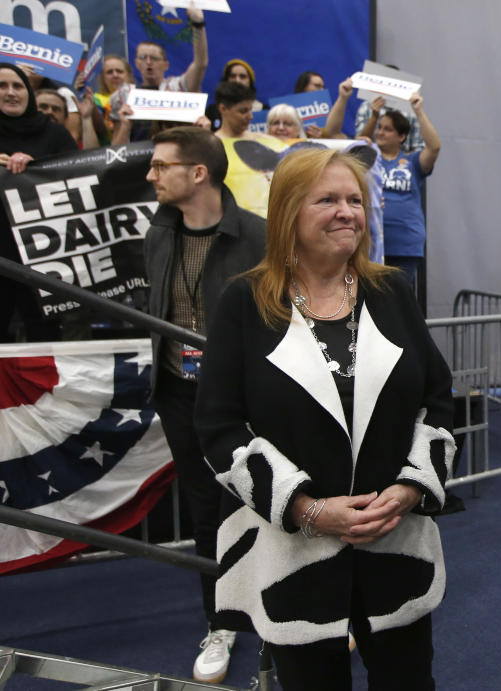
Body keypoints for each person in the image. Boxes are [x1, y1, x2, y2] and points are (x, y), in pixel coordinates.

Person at [193, 147, 455, 691]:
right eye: (328, 200)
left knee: (409, 680)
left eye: (356, 200)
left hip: (395, 543)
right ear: (288, 211)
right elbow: (219, 429)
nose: (348, 213)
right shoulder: (244, 302)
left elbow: (438, 401)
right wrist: (306, 509)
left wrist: (410, 488)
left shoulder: (392, 292)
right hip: (295, 556)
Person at [144, 126, 265, 683]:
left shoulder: (259, 237)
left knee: (266, 501)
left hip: (246, 398)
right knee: (202, 507)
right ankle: (220, 621)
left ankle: (289, 606)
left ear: (198, 173)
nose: (151, 175)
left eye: (160, 166)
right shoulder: (158, 232)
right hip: (178, 393)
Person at [0, 63, 79, 341]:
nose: (11, 93)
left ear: (29, 92)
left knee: (44, 337)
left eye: (18, 86)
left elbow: (78, 177)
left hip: (44, 257)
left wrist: (38, 171)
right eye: (2, 86)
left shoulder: (54, 134)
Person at [376, 96, 441, 307]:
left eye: (387, 129)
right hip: (373, 243)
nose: (380, 132)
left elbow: (434, 147)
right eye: (380, 127)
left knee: (398, 304)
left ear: (402, 136)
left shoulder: (413, 161)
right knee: (374, 304)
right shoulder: (368, 159)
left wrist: (418, 111)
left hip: (405, 245)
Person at [110, 4, 208, 143]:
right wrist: (125, 126)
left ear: (166, 65)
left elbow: (200, 64)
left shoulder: (178, 88)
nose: (149, 62)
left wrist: (198, 25)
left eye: (154, 58)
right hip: (136, 160)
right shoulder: (123, 96)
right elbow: (116, 150)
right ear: (136, 63)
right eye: (143, 58)